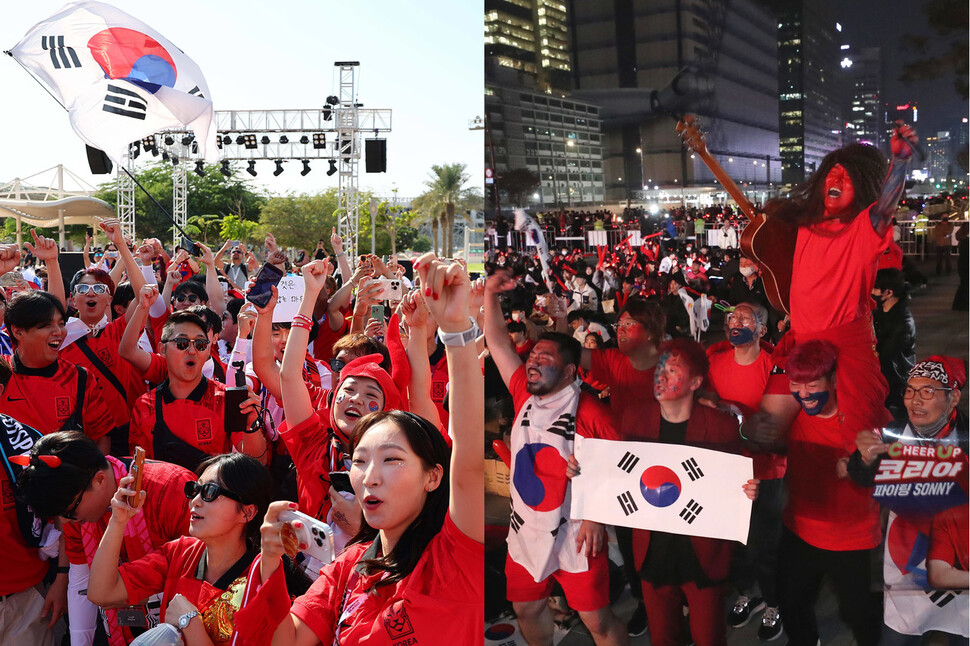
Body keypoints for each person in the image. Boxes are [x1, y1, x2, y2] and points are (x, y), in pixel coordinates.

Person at [233, 253, 484, 645]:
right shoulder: (348, 570)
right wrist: (267, 567)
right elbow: (287, 640)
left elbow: (467, 465)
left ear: (434, 475)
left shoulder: (453, 557)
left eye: (392, 459)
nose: (370, 475)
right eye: (361, 461)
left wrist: (454, 332)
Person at [570, 338, 758, 646]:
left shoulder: (720, 426)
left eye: (672, 370)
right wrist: (584, 473)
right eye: (660, 368)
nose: (661, 376)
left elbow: (730, 487)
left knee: (708, 637)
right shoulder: (634, 417)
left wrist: (747, 491)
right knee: (663, 638)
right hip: (652, 549)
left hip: (701, 553)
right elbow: (622, 472)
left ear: (696, 382)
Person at [485, 269, 628, 646]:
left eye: (544, 358)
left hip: (578, 535)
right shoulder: (521, 394)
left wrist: (596, 517)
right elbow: (498, 343)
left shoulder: (593, 413)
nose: (532, 363)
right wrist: (488, 296)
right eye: (532, 356)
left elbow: (622, 469)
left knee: (597, 621)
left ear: (568, 371)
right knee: (527, 609)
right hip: (526, 529)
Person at [86, 453, 295, 645]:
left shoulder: (263, 580)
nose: (195, 501)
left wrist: (190, 622)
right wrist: (118, 520)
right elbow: (101, 593)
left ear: (247, 513)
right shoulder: (180, 553)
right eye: (195, 489)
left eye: (210, 492)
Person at [16, 430, 196, 646]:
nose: (66, 523)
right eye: (59, 516)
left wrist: (129, 593)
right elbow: (81, 578)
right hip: (123, 628)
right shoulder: (73, 509)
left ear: (100, 480)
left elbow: (200, 573)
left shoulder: (171, 488)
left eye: (69, 512)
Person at [849, 356, 968, 645]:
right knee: (898, 637)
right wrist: (864, 459)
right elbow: (860, 475)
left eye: (927, 391)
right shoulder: (892, 435)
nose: (915, 400)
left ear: (953, 397)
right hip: (905, 568)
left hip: (960, 565)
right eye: (910, 390)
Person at [776, 340, 882, 646]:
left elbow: (892, 462)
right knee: (791, 602)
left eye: (813, 383)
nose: (804, 393)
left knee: (857, 613)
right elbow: (759, 439)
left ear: (833, 379)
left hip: (850, 537)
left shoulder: (863, 417)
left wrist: (862, 463)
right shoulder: (793, 413)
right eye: (796, 384)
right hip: (799, 528)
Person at [706, 303, 786, 641]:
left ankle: (774, 601)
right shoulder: (714, 362)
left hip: (766, 469)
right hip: (726, 468)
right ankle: (748, 591)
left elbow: (776, 427)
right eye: (730, 318)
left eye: (743, 318)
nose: (735, 323)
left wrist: (740, 422)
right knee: (734, 540)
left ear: (762, 330)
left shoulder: (775, 367)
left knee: (765, 543)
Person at [122, 290, 267, 471]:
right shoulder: (145, 406)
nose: (191, 350)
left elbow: (258, 462)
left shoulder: (224, 398)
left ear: (208, 350)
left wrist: (251, 425)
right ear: (162, 349)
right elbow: (138, 470)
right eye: (182, 343)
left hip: (211, 497)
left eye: (199, 344)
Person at [0, 289, 115, 452]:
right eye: (46, 325)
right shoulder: (3, 371)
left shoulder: (80, 378)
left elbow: (101, 438)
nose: (58, 332)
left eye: (61, 324)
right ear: (18, 331)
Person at [871, 268, 916, 420]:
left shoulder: (903, 322)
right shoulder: (879, 313)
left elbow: (888, 354)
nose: (871, 291)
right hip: (881, 381)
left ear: (888, 292)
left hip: (895, 384)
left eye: (875, 288)